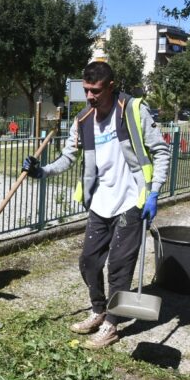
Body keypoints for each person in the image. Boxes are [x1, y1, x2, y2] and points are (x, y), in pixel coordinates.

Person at [22, 62, 170, 349]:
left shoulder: (132, 110)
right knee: (88, 261)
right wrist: (41, 171)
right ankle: (99, 310)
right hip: (100, 203)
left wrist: (153, 192)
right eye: (87, 90)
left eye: (96, 91)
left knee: (118, 264)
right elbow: (68, 158)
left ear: (111, 86)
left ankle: (112, 325)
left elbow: (161, 150)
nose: (90, 96)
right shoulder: (83, 120)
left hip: (131, 200)